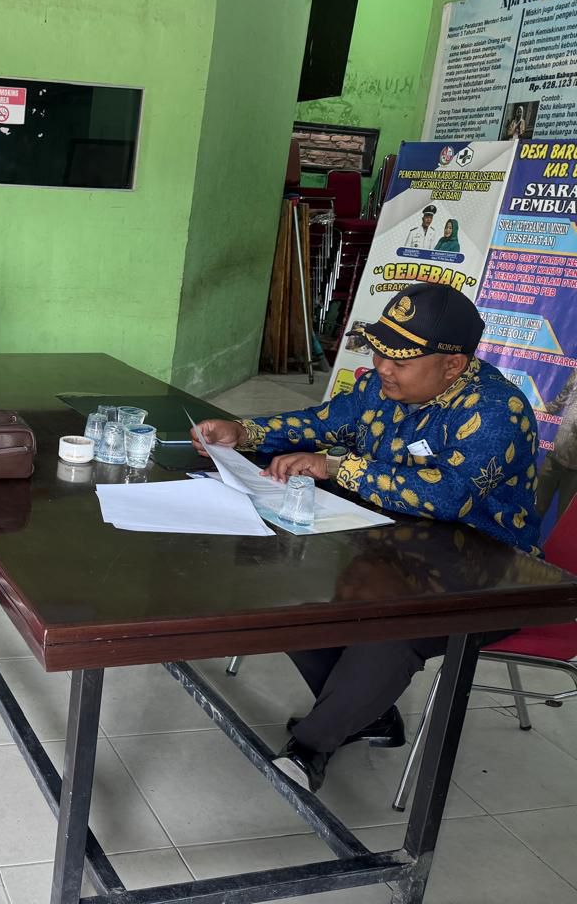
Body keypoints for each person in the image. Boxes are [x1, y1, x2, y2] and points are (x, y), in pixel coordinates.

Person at [193, 282, 540, 793]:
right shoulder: (382, 386)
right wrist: (245, 433)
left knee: (391, 627)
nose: (383, 367)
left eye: (401, 360)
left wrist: (336, 466)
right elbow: (324, 421)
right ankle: (367, 715)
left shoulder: (495, 412)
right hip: (392, 543)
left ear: (452, 364)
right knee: (288, 583)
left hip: (488, 572)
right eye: (381, 352)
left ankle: (311, 746)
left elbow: (448, 496)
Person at [537, 368, 577, 521]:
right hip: (555, 455)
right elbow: (560, 400)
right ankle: (521, 544)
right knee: (537, 506)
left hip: (575, 471)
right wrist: (538, 408)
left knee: (564, 518)